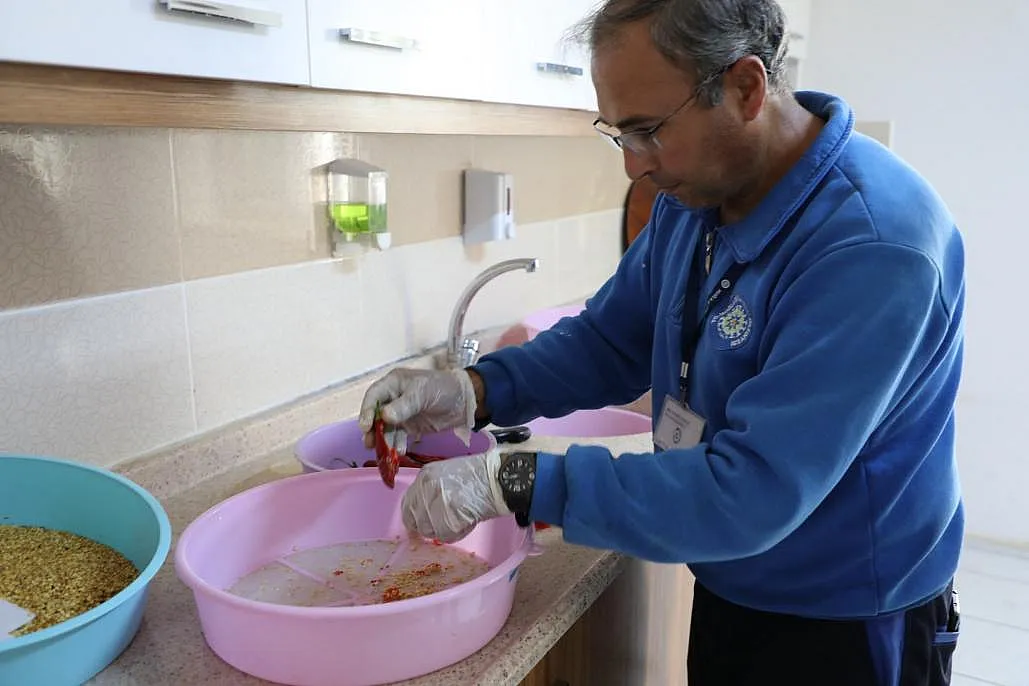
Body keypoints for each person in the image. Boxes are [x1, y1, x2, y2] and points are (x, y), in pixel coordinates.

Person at [358, 0, 965, 683]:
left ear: (745, 87)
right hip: (734, 575)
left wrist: (517, 480)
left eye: (647, 131)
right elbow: (610, 340)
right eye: (619, 134)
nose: (632, 167)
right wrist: (476, 390)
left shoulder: (871, 245)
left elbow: (752, 492)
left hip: (845, 621)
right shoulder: (697, 194)